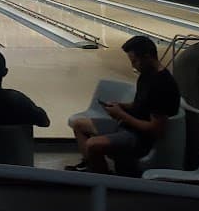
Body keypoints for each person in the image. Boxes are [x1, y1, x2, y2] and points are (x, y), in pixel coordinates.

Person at [67, 35, 180, 174]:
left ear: (147, 56)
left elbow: (156, 130)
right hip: (127, 127)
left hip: (140, 138)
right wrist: (121, 106)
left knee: (92, 144)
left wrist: (121, 115)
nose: (133, 65)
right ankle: (93, 167)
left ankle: (103, 181)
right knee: (79, 124)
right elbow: (140, 105)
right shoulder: (146, 74)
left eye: (135, 61)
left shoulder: (162, 85)